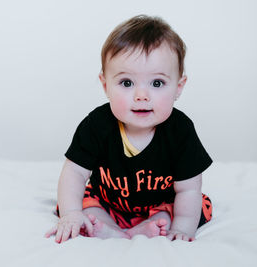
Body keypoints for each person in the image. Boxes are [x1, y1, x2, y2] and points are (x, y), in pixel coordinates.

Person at [45, 15, 213, 243]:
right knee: (74, 201)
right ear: (105, 86)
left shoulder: (180, 131)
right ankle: (107, 227)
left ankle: (149, 226)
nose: (141, 96)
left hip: (159, 206)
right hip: (107, 203)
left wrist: (182, 228)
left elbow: (188, 189)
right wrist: (71, 214)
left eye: (157, 83)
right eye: (126, 83)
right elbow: (74, 173)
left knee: (196, 205)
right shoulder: (97, 125)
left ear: (178, 87)